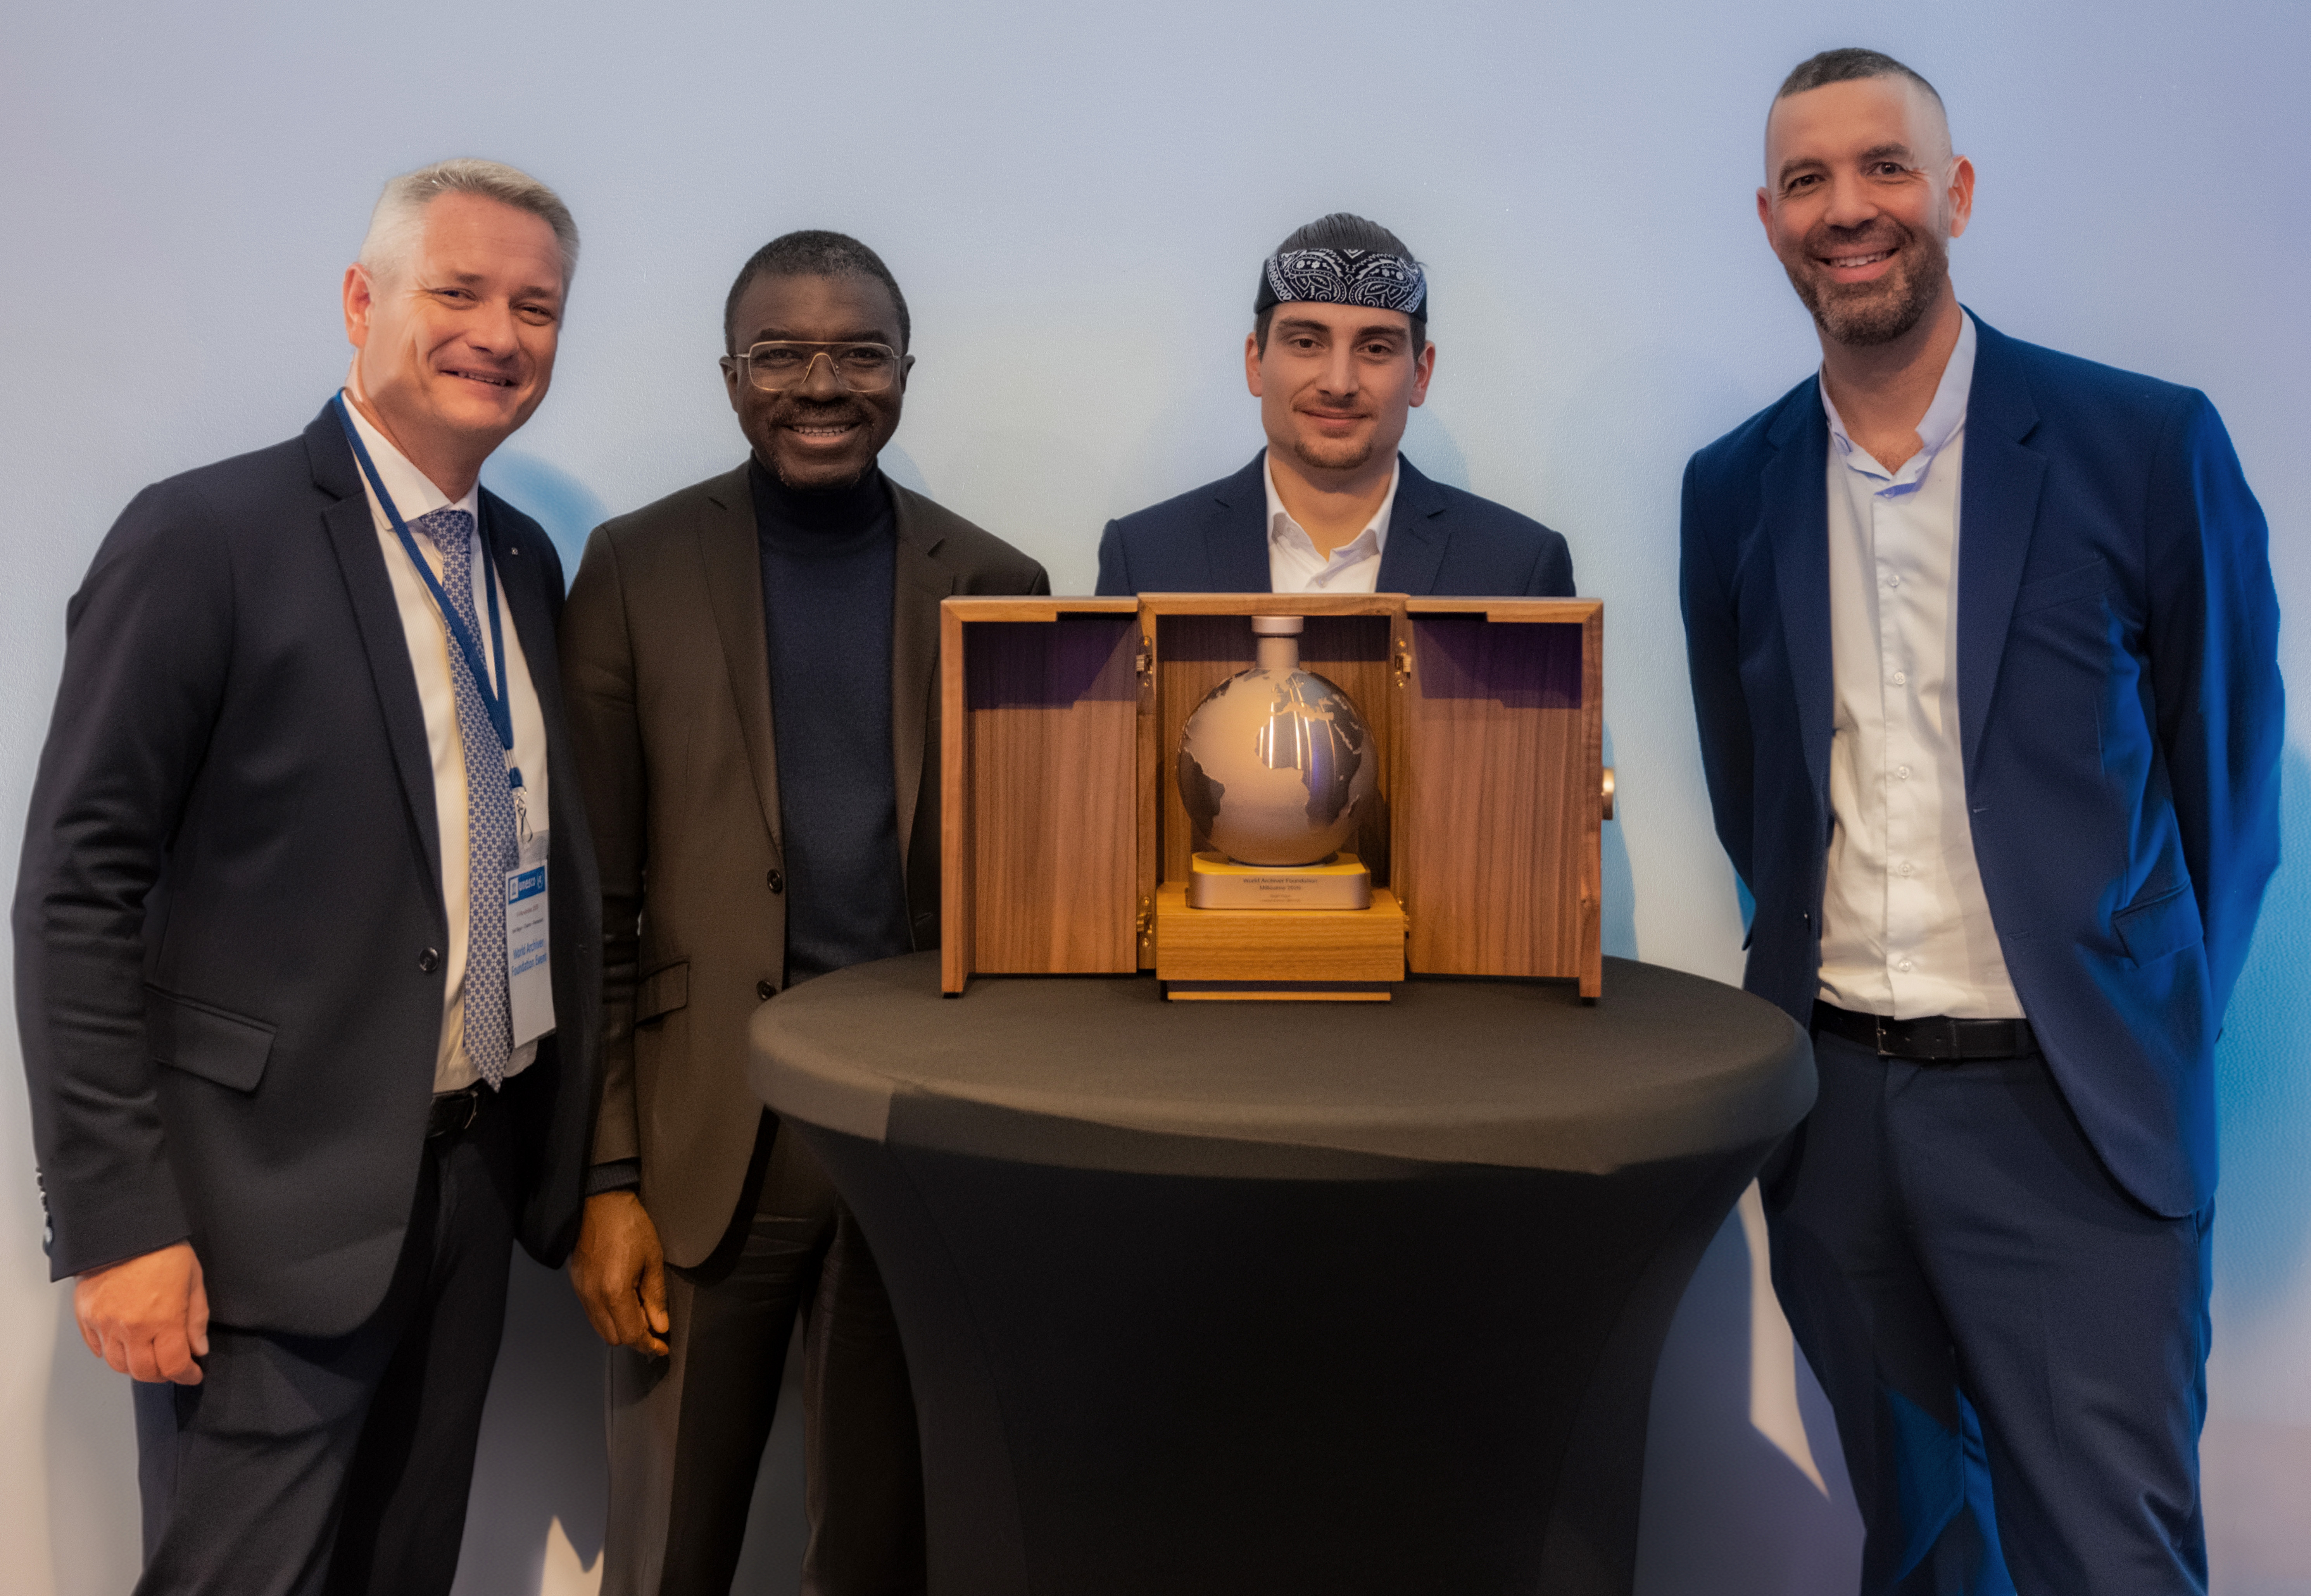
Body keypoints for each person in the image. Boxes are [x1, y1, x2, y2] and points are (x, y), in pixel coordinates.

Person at [1680, 48, 2282, 1595]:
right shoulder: (1730, 487)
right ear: (1766, 219)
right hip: (1836, 1122)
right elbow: (1758, 795)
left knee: (2105, 1558)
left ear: (1949, 192)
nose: (1845, 208)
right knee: (1923, 1552)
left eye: (1881, 167)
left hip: (2066, 1117)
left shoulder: (2139, 445)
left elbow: (2225, 780)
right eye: (1805, 181)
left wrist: (2136, 1034)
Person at [13, 158, 601, 1596]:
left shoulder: (519, 558)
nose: (498, 333)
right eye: (458, 291)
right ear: (362, 301)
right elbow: (72, 893)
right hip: (254, 1217)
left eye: (536, 306)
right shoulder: (204, 534)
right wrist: (120, 1225)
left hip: (464, 1184)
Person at [561, 230, 1048, 1596]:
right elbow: (594, 903)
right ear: (730, 374)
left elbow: (1026, 910)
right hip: (703, 1146)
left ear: (905, 373)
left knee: (880, 1551)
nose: (820, 383)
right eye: (780, 353)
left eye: (858, 352)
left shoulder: (999, 586)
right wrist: (604, 1177)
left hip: (913, 1147)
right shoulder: (635, 567)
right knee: (672, 1554)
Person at [1096, 212, 1573, 597]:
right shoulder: (1145, 559)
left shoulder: (1518, 570)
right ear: (1256, 362)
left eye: (1376, 349)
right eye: (1306, 343)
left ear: (1420, 374)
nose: (1339, 383)